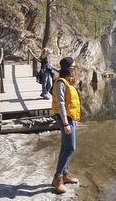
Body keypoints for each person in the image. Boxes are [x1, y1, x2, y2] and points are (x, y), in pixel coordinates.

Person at [51, 57, 80, 194]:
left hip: (69, 118)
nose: (75, 69)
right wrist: (65, 123)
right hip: (64, 119)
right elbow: (61, 104)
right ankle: (58, 179)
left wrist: (73, 119)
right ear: (67, 68)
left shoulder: (68, 81)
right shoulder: (60, 83)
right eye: (73, 66)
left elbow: (70, 103)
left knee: (65, 147)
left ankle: (65, 174)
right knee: (70, 148)